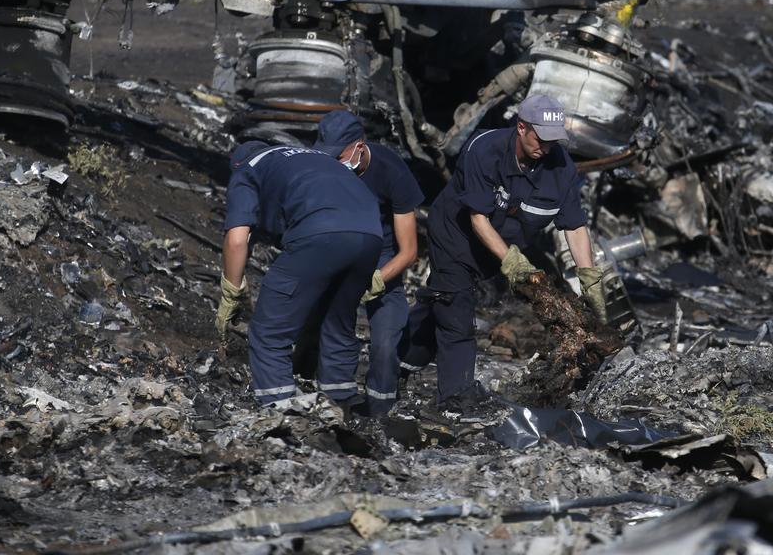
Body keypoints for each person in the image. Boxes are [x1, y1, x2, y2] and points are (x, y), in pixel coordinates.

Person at [398, 94, 607, 412]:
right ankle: (455, 399)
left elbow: (575, 227)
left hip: (500, 249)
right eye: (541, 139)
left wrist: (589, 278)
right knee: (456, 311)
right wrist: (512, 261)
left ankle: (397, 358)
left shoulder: (561, 166)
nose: (547, 148)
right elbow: (478, 218)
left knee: (440, 305)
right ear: (521, 128)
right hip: (457, 237)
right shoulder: (485, 150)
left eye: (554, 141)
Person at [216, 140, 382, 408]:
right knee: (335, 322)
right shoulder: (315, 159)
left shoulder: (247, 168)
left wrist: (231, 292)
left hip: (321, 233)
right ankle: (344, 402)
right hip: (372, 237)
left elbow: (237, 240)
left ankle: (281, 411)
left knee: (270, 332)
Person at [313, 110, 425, 416]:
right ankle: (336, 403)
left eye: (339, 156)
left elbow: (409, 250)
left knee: (386, 343)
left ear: (359, 147)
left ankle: (380, 408)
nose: (333, 163)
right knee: (329, 327)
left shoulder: (392, 171)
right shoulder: (323, 169)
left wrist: (376, 280)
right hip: (340, 247)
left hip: (383, 255)